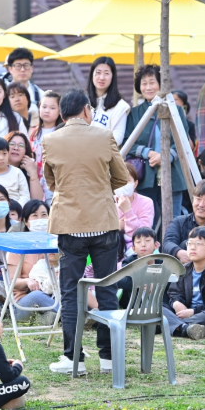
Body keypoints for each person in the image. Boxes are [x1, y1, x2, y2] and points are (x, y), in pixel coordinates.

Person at [41, 88, 130, 375]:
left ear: (63, 113)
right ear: (87, 110)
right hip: (103, 223)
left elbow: (51, 182)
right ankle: (107, 358)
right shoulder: (103, 135)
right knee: (106, 289)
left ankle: (73, 358)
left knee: (70, 293)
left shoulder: (50, 139)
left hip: (69, 225)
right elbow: (121, 176)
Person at [124, 65, 186, 227]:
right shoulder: (135, 113)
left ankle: (171, 251)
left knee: (173, 220)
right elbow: (128, 142)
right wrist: (150, 154)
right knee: (147, 220)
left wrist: (165, 157)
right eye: (144, 83)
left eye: (152, 82)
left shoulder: (176, 110)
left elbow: (182, 140)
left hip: (173, 173)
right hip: (146, 175)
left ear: (161, 84)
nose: (148, 87)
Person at [162, 180, 205, 263]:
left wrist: (195, 256)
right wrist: (179, 252)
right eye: (198, 199)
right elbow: (168, 243)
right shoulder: (178, 222)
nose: (201, 205)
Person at [86, 56, 130, 146]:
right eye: (98, 72)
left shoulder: (120, 106)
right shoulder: (81, 100)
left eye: (106, 73)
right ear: (92, 75)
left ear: (112, 77)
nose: (102, 77)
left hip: (103, 156)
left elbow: (117, 138)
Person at [30, 91, 64, 202]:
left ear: (60, 111)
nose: (47, 110)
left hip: (54, 180)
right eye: (44, 107)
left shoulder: (62, 132)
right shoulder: (34, 132)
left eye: (52, 108)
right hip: (35, 178)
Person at [115, 164, 154, 249]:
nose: (122, 184)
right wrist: (115, 226)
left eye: (127, 180)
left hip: (138, 249)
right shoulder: (107, 202)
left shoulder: (146, 202)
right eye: (118, 180)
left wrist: (128, 212)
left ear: (135, 184)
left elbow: (144, 234)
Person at [5, 131, 44, 201]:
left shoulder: (28, 171)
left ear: (26, 151)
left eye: (21, 145)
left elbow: (38, 201)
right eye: (12, 144)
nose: (16, 148)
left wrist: (33, 174)